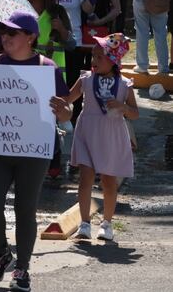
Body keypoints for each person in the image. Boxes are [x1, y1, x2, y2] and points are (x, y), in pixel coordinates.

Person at [0, 11, 72, 292]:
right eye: (3, 33)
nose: (5, 37)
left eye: (12, 33)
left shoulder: (47, 68)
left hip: (33, 152)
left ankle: (22, 269)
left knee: (25, 209)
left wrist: (63, 109)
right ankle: (1, 252)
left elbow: (67, 114)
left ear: (30, 37)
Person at [67, 33, 137, 242]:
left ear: (113, 60)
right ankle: (85, 223)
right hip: (87, 133)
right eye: (92, 56)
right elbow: (68, 99)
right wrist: (57, 101)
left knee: (108, 181)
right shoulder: (86, 79)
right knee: (85, 177)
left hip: (111, 135)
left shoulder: (124, 84)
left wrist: (123, 107)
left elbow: (135, 113)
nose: (93, 61)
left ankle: (106, 223)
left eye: (99, 57)